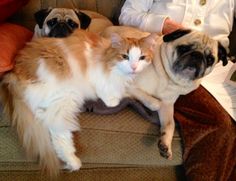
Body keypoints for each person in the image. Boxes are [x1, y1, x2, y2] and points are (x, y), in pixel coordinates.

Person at [119, 1, 236, 181]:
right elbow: (127, 14)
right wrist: (164, 24)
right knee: (219, 123)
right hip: (168, 65)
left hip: (214, 68)